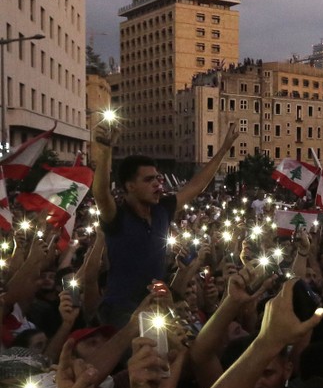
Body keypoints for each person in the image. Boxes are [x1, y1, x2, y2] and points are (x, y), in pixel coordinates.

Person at [92, 124, 239, 327]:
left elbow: (197, 186)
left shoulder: (162, 209)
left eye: (158, 178)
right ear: (129, 186)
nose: (157, 184)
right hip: (121, 314)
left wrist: (224, 149)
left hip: (157, 309)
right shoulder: (117, 216)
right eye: (149, 179)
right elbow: (100, 192)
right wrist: (106, 152)